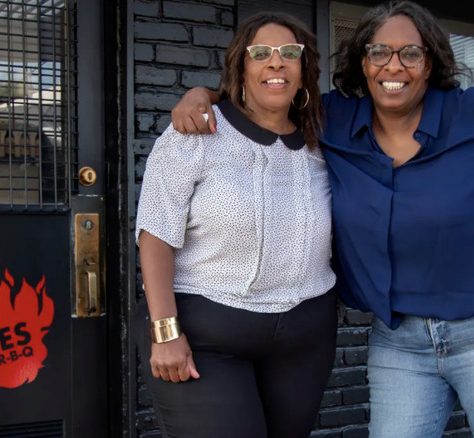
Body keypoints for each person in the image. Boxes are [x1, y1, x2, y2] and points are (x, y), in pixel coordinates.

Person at [169, 2, 474, 437]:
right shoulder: (336, 120)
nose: (394, 66)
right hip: (400, 335)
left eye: (410, 53)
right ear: (363, 63)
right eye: (379, 52)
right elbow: (269, 92)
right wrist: (202, 94)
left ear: (430, 64)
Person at [135, 12, 337, 438]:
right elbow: (155, 234)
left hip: (304, 341)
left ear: (305, 70)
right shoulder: (195, 132)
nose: (276, 63)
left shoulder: (324, 141)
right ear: (241, 67)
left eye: (290, 54)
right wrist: (164, 330)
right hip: (207, 337)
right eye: (260, 53)